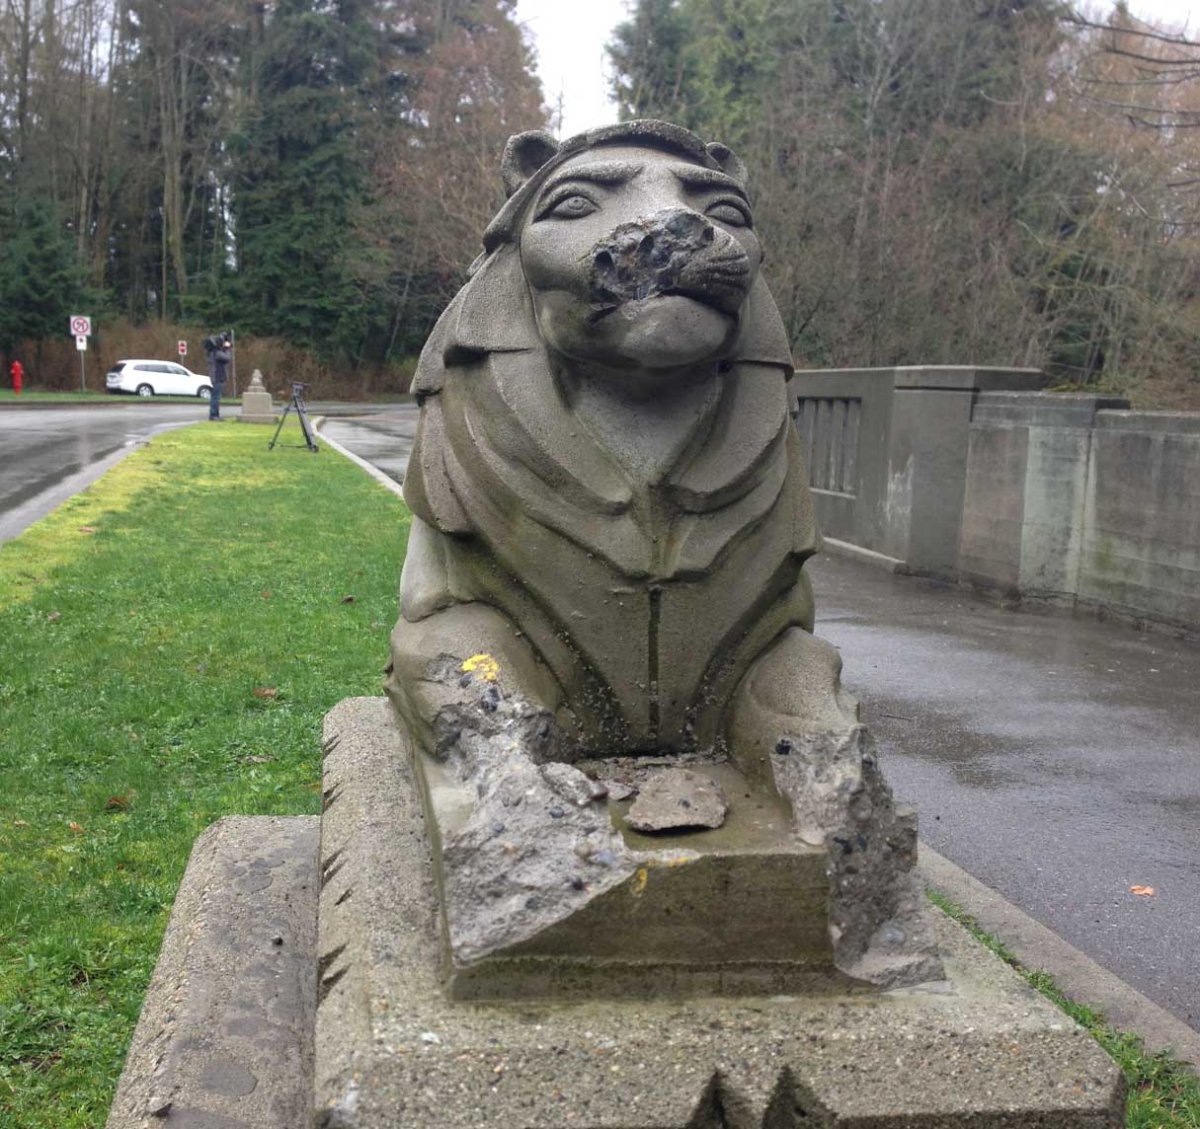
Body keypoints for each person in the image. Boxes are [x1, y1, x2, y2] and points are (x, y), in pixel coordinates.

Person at [207, 335, 231, 420]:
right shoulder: (217, 353)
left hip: (217, 377)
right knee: (216, 397)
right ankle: (214, 415)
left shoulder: (213, 352)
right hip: (217, 377)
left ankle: (215, 415)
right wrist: (227, 348)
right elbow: (227, 358)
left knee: (216, 397)